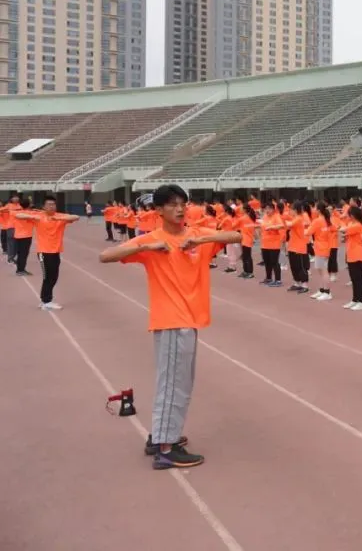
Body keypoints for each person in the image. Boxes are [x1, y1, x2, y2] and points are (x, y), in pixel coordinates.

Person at [99, 184, 240, 470]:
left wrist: (200, 242)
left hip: (190, 319)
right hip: (171, 320)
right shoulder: (154, 241)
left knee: (181, 383)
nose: (179, 209)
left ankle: (163, 436)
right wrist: (147, 246)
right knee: (174, 385)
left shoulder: (197, 235)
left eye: (182, 204)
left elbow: (236, 234)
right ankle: (165, 447)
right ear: (159, 210)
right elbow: (105, 255)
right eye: (172, 204)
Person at [16, 195, 79, 310]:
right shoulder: (38, 216)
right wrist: (35, 217)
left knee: (54, 277)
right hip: (44, 253)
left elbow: (76, 217)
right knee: (48, 277)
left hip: (56, 251)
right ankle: (46, 301)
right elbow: (18, 215)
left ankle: (45, 300)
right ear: (43, 206)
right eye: (49, 205)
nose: (51, 206)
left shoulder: (60, 216)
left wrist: (60, 219)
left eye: (53, 204)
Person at [341, 206, 362, 310]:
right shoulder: (352, 224)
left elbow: (343, 230)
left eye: (348, 214)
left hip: (357, 254)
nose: (347, 216)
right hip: (351, 253)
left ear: (352, 215)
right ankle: (355, 299)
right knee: (354, 278)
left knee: (358, 278)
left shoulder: (357, 225)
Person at [12, 196, 36, 275]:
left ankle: (20, 269)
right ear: (29, 205)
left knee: (20, 253)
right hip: (25, 237)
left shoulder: (16, 212)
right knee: (24, 254)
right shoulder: (31, 213)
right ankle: (20, 270)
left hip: (18, 236)